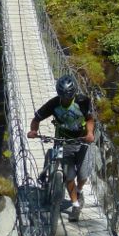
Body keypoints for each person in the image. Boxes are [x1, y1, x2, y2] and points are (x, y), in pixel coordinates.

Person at [28, 75, 95, 222]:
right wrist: (34, 131)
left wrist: (90, 133)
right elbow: (36, 119)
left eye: (69, 97)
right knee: (69, 176)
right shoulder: (53, 104)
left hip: (83, 141)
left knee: (83, 176)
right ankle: (75, 204)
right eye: (63, 97)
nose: (66, 99)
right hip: (63, 142)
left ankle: (79, 191)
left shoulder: (83, 101)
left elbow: (90, 119)